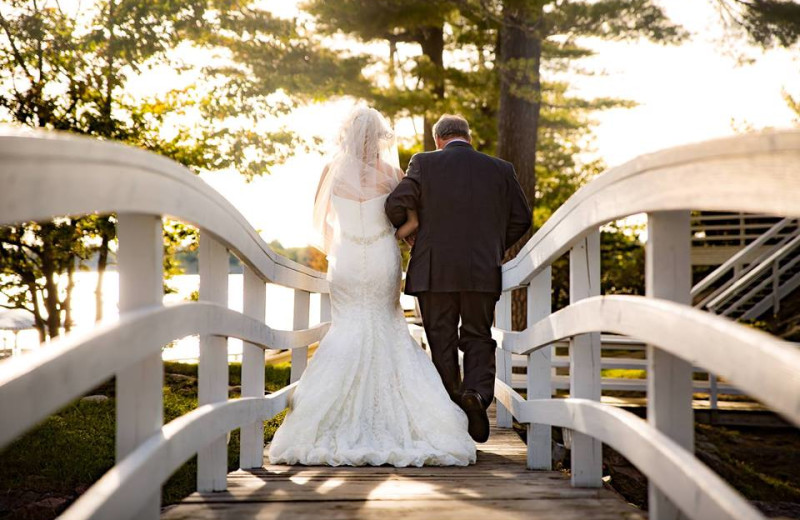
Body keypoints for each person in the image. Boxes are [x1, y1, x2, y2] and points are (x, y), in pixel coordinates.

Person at [268, 106, 476, 467]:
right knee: (386, 325)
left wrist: (343, 244)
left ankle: (329, 416)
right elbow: (412, 218)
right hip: (381, 257)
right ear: (380, 138)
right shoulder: (393, 174)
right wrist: (396, 234)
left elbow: (321, 227)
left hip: (347, 258)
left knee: (348, 328)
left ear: (346, 136)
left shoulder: (330, 173)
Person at [385, 114, 532, 443]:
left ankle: (450, 411)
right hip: (481, 268)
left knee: (442, 341)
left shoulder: (423, 163)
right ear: (469, 136)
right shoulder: (501, 169)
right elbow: (522, 218)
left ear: (439, 139)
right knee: (479, 336)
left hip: (434, 269)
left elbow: (396, 203)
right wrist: (492, 246)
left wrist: (413, 233)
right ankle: (478, 397)